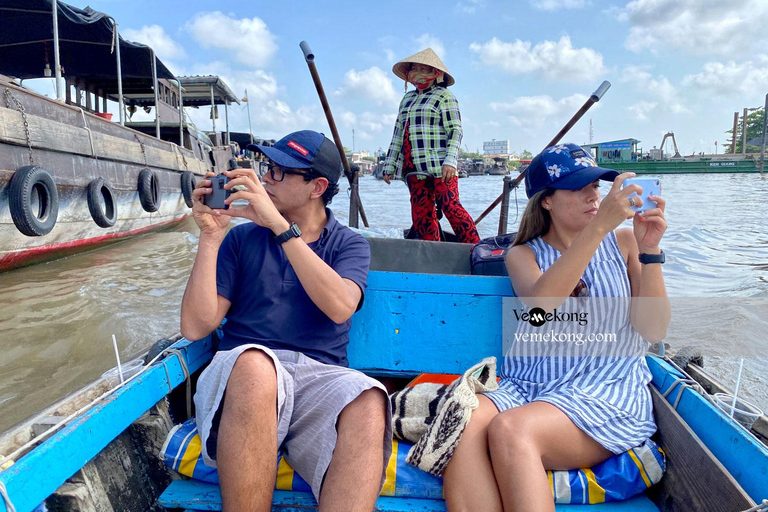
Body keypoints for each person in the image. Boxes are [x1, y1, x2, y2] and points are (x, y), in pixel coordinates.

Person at [442, 143, 670, 512]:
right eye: (579, 188)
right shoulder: (524, 255)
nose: (593, 196)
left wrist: (651, 251)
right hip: (531, 386)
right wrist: (597, 227)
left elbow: (654, 330)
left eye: (596, 187)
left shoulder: (624, 242)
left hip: (605, 389)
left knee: (513, 430)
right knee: (463, 420)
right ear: (545, 201)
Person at [180, 130, 391, 512]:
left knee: (369, 398)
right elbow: (196, 327)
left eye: (279, 172)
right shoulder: (241, 240)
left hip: (318, 378)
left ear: (317, 187)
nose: (265, 180)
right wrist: (211, 237)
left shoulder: (349, 245)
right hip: (245, 372)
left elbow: (340, 306)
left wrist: (280, 228)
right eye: (267, 169)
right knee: (256, 367)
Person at [382, 48, 480, 244]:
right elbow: (398, 134)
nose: (417, 73)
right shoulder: (407, 99)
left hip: (441, 166)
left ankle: (476, 247)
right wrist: (389, 165)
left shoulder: (444, 96)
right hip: (414, 166)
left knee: (450, 206)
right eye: (414, 69)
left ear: (436, 74)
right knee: (421, 213)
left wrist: (450, 162)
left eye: (424, 69)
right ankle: (433, 251)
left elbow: (455, 131)